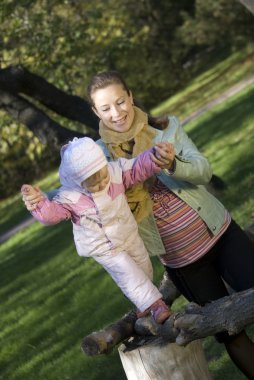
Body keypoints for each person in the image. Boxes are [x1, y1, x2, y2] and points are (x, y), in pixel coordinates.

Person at [23, 71, 254, 378]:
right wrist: (40, 199)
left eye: (120, 102)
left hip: (220, 233)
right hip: (182, 261)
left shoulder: (164, 130)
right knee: (230, 333)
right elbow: (68, 193)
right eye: (106, 108)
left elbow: (203, 171)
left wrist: (172, 162)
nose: (116, 112)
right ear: (96, 112)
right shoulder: (95, 157)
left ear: (130, 97)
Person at [21, 137, 171, 324]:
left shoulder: (114, 173)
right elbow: (51, 215)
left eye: (103, 178)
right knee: (128, 274)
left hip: (127, 233)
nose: (101, 185)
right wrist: (39, 204)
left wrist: (155, 156)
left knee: (144, 268)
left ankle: (145, 302)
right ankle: (156, 305)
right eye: (93, 184)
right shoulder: (71, 197)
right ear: (77, 181)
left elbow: (136, 168)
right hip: (103, 247)